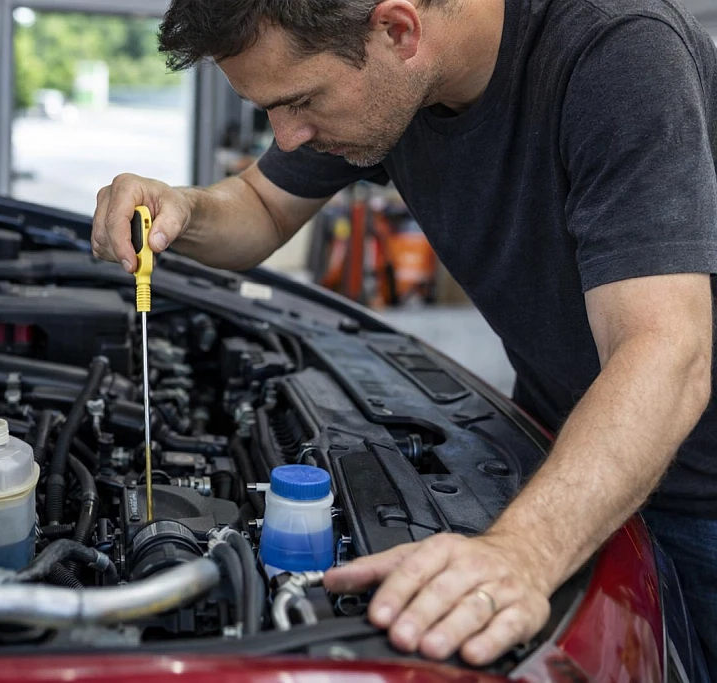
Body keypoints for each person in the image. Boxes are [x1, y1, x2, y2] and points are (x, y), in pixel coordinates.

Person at [91, 0, 717, 670]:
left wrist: (524, 550)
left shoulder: (617, 52)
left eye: (300, 100)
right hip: (561, 446)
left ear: (397, 30)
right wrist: (184, 209)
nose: (288, 134)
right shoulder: (391, 78)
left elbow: (665, 349)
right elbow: (263, 205)